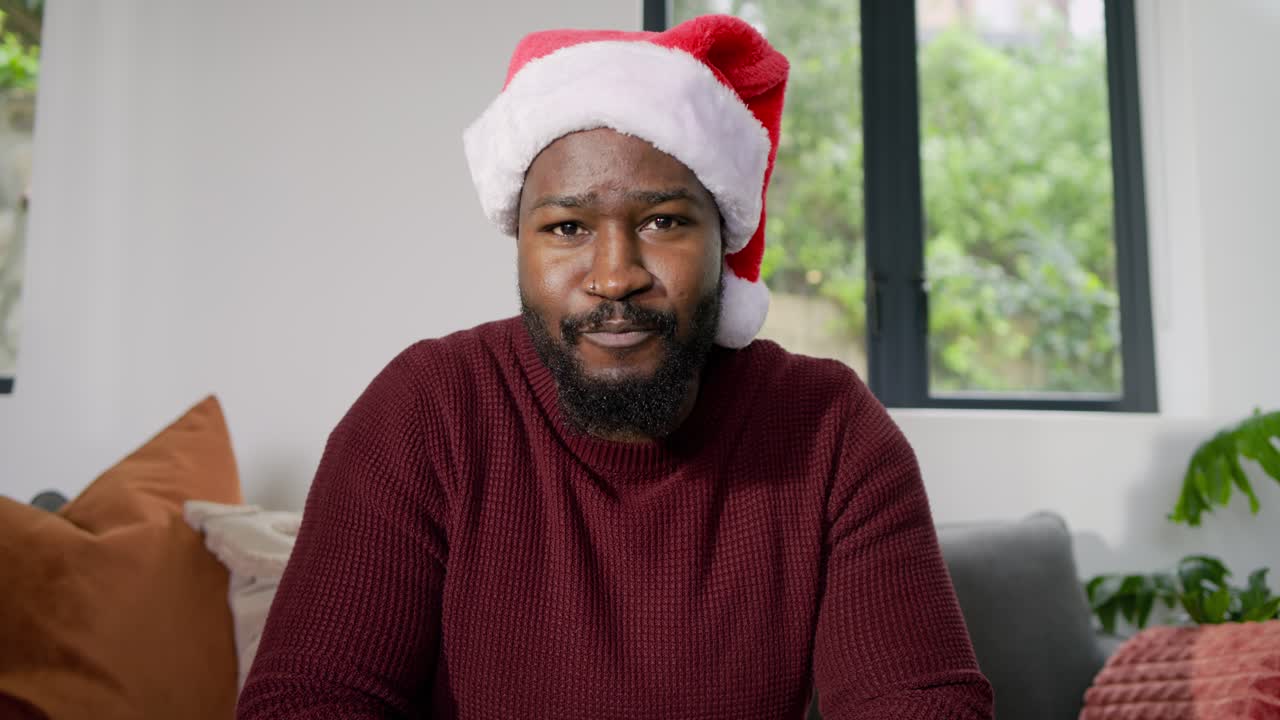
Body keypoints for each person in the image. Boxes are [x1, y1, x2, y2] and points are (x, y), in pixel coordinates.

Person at [238, 14, 994, 720]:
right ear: (521, 245)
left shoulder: (829, 429)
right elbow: (307, 701)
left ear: (722, 237)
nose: (614, 275)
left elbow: (923, 704)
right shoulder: (427, 411)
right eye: (567, 227)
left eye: (663, 221)